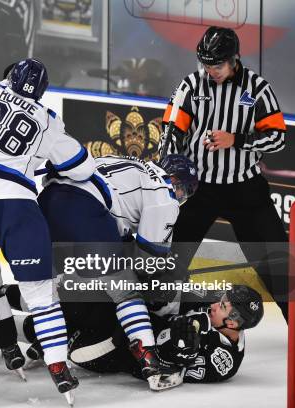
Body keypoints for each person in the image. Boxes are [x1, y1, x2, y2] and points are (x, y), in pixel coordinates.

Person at [0, 58, 96, 405]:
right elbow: (84, 167)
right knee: (42, 295)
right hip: (20, 206)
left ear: (10, 76)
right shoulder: (48, 118)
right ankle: (59, 367)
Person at [38, 153, 199, 391]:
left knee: (49, 289)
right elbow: (147, 260)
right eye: (184, 189)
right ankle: (149, 360)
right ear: (174, 179)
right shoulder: (165, 195)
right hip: (85, 210)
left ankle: (4, 329)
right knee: (127, 291)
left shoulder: (130, 162)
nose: (181, 196)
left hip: (47, 202)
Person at [161, 26, 289, 319]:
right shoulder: (191, 86)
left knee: (277, 260)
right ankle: (158, 316)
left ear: (235, 59)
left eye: (217, 65)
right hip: (199, 189)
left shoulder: (257, 88)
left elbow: (278, 137)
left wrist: (237, 139)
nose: (211, 71)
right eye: (206, 64)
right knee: (171, 256)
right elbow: (170, 132)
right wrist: (170, 165)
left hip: (245, 188)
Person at [6, 284, 264, 384]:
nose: (213, 305)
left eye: (222, 306)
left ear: (233, 324)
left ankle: (2, 328)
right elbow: (171, 297)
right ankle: (2, 299)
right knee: (79, 295)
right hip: (127, 320)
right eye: (220, 300)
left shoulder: (224, 361)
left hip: (117, 350)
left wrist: (180, 349)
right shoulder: (206, 303)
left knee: (73, 337)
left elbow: (167, 375)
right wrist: (159, 293)